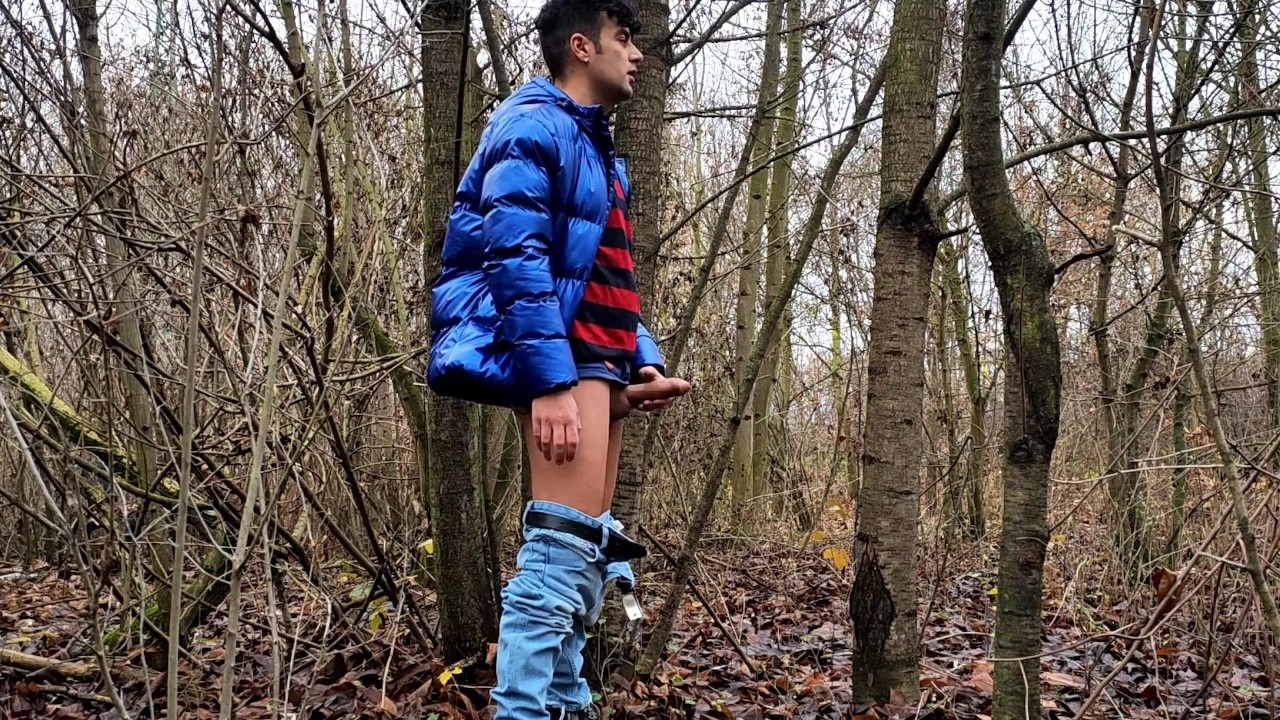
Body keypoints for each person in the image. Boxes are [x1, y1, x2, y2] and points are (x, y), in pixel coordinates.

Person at [426, 0, 691, 718]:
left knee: (585, 557)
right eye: (622, 38)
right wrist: (549, 384)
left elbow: (604, 272)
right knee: (555, 559)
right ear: (581, 45)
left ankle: (569, 707)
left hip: (598, 363)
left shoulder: (594, 147)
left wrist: (640, 360)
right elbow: (516, 257)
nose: (636, 54)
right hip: (565, 365)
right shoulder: (531, 126)